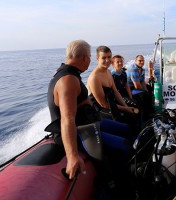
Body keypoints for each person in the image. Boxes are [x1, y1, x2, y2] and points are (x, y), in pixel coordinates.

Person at [46, 40, 134, 197]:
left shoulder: (71, 74)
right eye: (89, 56)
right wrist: (72, 156)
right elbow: (67, 119)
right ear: (84, 58)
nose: (89, 60)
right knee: (123, 146)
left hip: (90, 121)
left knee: (126, 129)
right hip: (80, 131)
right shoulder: (68, 80)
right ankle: (120, 184)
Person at [88, 46, 139, 137]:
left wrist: (126, 106)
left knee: (134, 114)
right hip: (100, 110)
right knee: (126, 122)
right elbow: (103, 105)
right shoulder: (94, 77)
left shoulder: (107, 72)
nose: (107, 60)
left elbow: (115, 91)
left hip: (111, 104)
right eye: (104, 58)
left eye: (109, 57)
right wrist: (125, 109)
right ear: (97, 58)